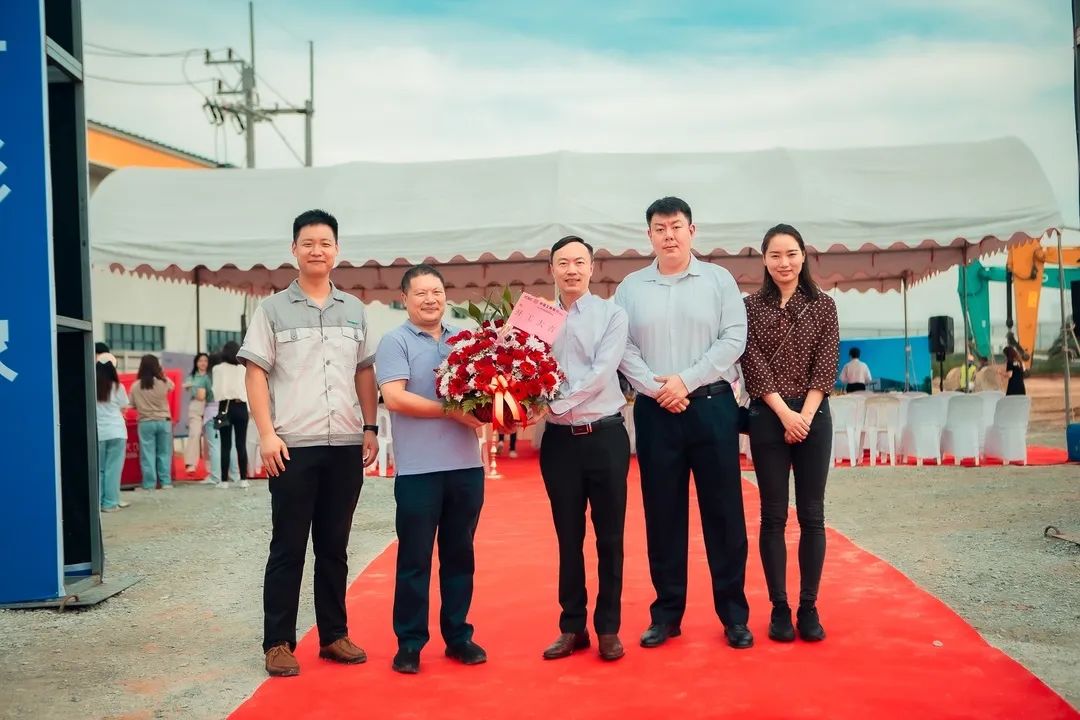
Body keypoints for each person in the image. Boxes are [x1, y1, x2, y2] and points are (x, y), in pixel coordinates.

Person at [240, 209, 379, 677]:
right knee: (288, 546)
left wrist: (370, 427)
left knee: (335, 546)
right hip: (292, 447)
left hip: (344, 445)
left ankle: (334, 635)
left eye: (325, 243)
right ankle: (278, 642)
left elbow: (364, 372)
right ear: (294, 250)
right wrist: (267, 434)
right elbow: (255, 372)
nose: (317, 250)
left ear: (337, 250)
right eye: (308, 243)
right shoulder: (272, 310)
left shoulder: (355, 310)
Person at [613, 196, 753, 650]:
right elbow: (622, 346)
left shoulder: (718, 279)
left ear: (692, 231)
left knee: (724, 513)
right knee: (663, 514)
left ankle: (734, 615)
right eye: (660, 228)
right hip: (656, 412)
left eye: (676, 226)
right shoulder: (630, 288)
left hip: (712, 407)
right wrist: (658, 389)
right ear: (649, 235)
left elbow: (733, 339)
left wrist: (686, 380)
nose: (668, 235)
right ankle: (666, 614)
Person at [375, 264, 487, 675]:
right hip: (418, 472)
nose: (430, 299)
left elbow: (484, 391)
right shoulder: (394, 341)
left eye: (436, 292)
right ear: (404, 299)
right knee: (415, 560)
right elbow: (395, 398)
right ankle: (409, 642)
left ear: (445, 295)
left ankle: (458, 636)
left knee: (460, 555)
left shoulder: (464, 340)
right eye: (420, 293)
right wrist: (452, 411)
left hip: (466, 467)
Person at [740, 224, 839, 643]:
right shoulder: (749, 308)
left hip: (814, 416)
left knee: (813, 515)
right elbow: (752, 364)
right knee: (773, 515)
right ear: (764, 259)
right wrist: (785, 414)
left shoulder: (824, 305)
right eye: (776, 255)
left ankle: (808, 606)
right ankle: (779, 607)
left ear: (803, 256)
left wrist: (805, 416)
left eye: (791, 254)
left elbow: (826, 363)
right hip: (768, 416)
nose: (784, 262)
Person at [539, 236, 631, 662]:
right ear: (552, 270)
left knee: (610, 537)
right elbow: (520, 367)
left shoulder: (612, 314)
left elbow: (601, 372)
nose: (571, 270)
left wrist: (552, 403)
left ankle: (608, 627)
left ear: (592, 267)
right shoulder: (536, 317)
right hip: (559, 442)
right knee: (567, 537)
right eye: (563, 263)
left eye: (579, 262)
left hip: (605, 436)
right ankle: (572, 627)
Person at [129, 354, 174, 490]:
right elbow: (172, 386)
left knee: (147, 454)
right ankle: (166, 482)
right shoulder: (163, 382)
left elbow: (132, 404)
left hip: (145, 422)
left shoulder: (135, 386)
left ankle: (149, 484)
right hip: (164, 421)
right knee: (164, 453)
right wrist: (161, 373)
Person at [213, 341, 250, 488]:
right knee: (241, 444)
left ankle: (224, 481)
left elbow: (216, 392)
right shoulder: (244, 368)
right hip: (241, 407)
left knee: (225, 445)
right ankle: (243, 479)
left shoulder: (218, 369)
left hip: (225, 407)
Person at [96, 359, 131, 512]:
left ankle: (97, 503)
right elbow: (124, 406)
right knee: (113, 470)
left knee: (99, 470)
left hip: (98, 433)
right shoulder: (118, 387)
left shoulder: (91, 387)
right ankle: (110, 504)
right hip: (117, 431)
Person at [200, 352, 239, 486]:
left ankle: (215, 476)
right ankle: (235, 474)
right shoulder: (228, 374)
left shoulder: (208, 377)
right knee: (231, 445)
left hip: (212, 413)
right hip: (227, 410)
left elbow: (201, 395)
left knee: (215, 446)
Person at [183, 352, 212, 473]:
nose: (203, 363)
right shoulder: (192, 377)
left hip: (210, 406)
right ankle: (190, 464)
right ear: (196, 363)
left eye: (205, 361)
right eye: (200, 361)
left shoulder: (211, 376)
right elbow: (187, 386)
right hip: (196, 407)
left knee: (209, 438)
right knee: (194, 434)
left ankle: (210, 466)